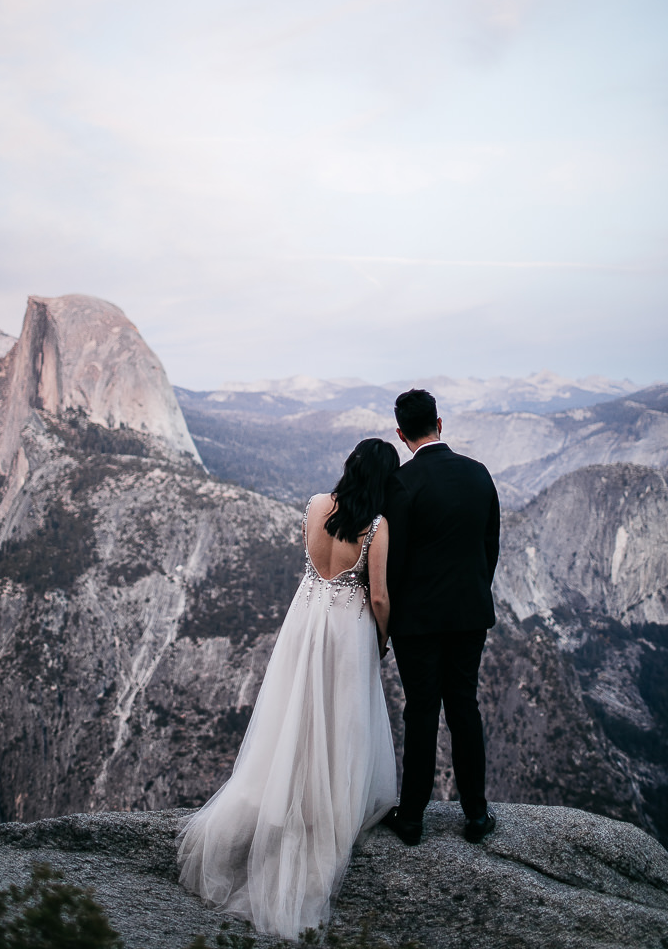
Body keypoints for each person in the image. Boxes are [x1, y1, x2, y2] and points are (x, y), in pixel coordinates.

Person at [176, 438, 399, 941]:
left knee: (295, 713)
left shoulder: (318, 504)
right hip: (347, 630)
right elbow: (380, 596)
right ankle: (322, 811)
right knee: (340, 720)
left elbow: (314, 563)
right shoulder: (377, 526)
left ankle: (284, 799)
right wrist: (382, 640)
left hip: (303, 619)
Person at [381, 388, 499, 847]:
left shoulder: (402, 484)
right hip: (469, 614)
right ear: (440, 423)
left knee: (422, 711)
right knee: (464, 707)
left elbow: (394, 560)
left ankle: (412, 817)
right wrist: (472, 593)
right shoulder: (478, 473)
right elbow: (490, 545)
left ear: (400, 433)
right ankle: (476, 814)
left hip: (416, 621)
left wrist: (390, 617)